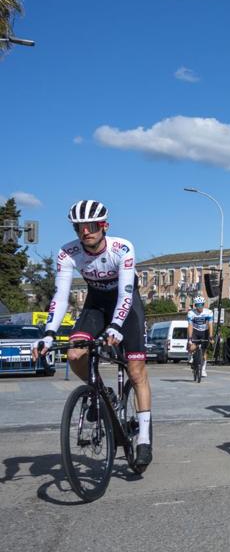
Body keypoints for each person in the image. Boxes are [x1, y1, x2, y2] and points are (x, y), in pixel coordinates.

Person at [32, 200, 154, 468]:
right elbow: (61, 296)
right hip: (96, 305)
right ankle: (102, 392)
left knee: (136, 371)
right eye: (79, 227)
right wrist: (50, 332)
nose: (85, 232)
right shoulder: (68, 253)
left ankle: (144, 439)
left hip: (127, 305)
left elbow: (125, 293)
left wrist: (117, 326)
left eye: (91, 226)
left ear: (104, 226)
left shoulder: (122, 248)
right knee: (75, 353)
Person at [186, 296, 214, 378]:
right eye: (198, 305)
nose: (200, 307)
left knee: (204, 351)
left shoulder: (208, 312)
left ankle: (203, 369)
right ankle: (191, 356)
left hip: (204, 331)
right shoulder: (191, 313)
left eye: (201, 305)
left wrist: (211, 336)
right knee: (191, 347)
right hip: (195, 331)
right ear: (195, 306)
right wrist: (190, 338)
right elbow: (190, 325)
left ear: (203, 304)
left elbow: (210, 324)